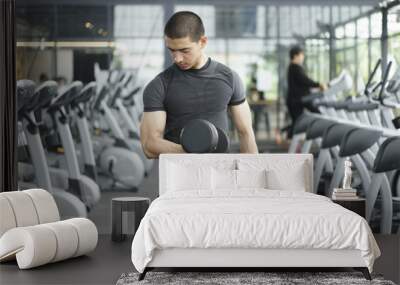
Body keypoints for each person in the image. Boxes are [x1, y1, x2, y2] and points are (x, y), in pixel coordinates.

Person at [140, 11, 258, 158]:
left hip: (220, 171)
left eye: (184, 50)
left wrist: (251, 174)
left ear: (202, 42)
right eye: (172, 50)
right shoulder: (159, 86)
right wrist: (196, 153)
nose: (177, 58)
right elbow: (149, 145)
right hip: (178, 174)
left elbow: (246, 132)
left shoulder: (229, 78)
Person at [286, 45, 327, 137]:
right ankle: (286, 137)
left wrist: (317, 86)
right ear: (296, 56)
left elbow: (303, 82)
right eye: (301, 55)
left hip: (297, 100)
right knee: (298, 123)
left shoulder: (293, 67)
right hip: (297, 101)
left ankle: (287, 138)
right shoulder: (295, 67)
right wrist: (318, 84)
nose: (303, 57)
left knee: (297, 123)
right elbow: (304, 80)